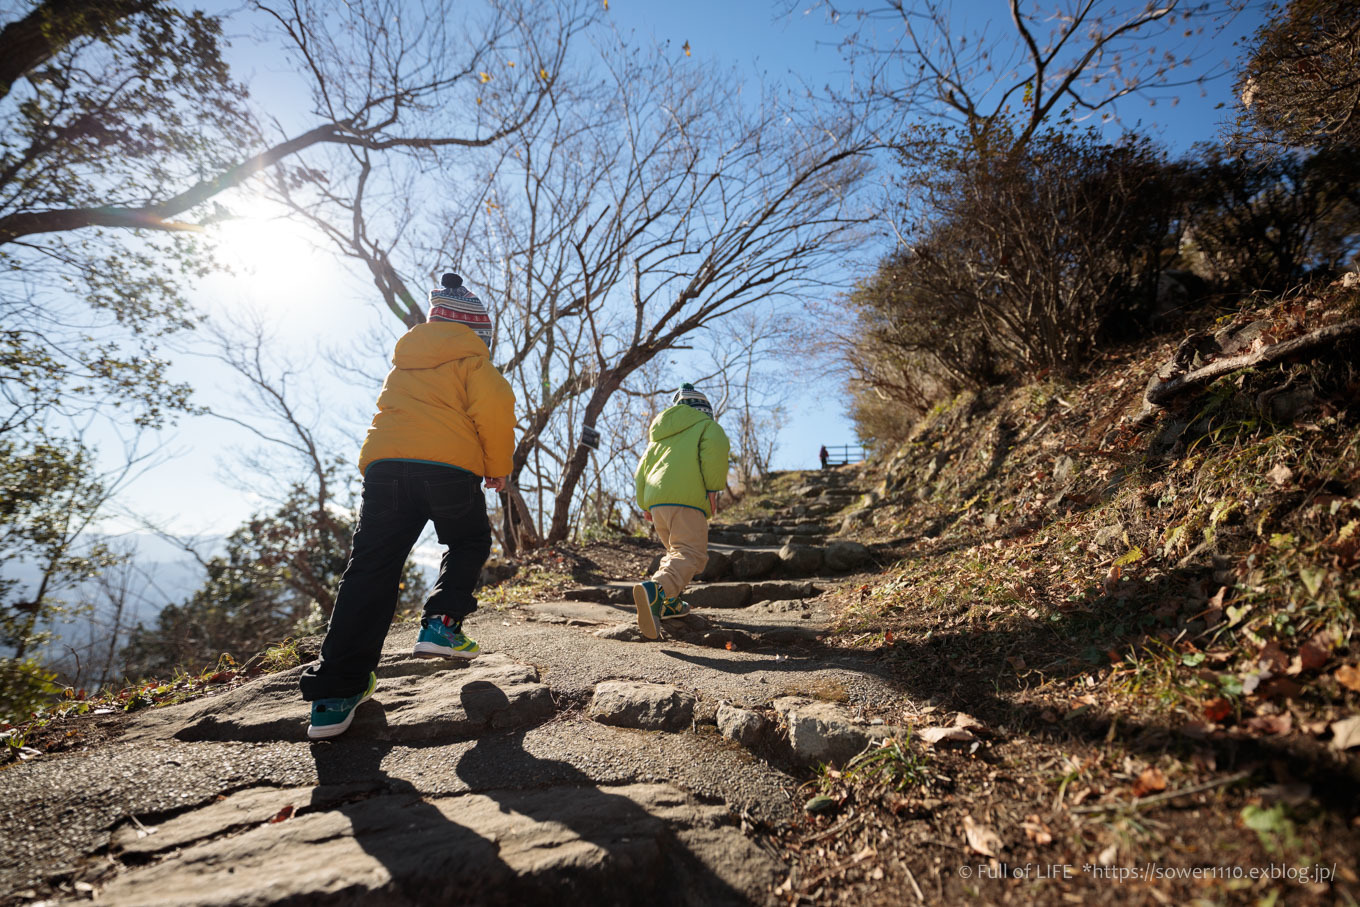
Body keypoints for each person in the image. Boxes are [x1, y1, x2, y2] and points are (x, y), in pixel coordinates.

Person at [300, 272, 515, 739]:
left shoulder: (405, 363)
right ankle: (441, 623)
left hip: (386, 469)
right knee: (469, 538)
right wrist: (498, 466)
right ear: (478, 333)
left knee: (370, 569)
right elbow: (495, 408)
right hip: (450, 470)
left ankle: (334, 696)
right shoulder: (475, 364)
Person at [632, 384, 731, 640]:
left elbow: (641, 471)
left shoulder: (659, 437)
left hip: (657, 504)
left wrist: (645, 504)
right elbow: (714, 454)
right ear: (704, 411)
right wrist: (713, 488)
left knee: (676, 553)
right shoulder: (708, 427)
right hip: (688, 499)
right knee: (690, 553)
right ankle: (658, 589)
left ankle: (669, 604)